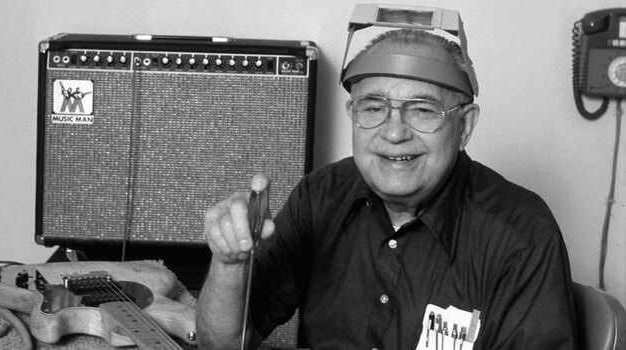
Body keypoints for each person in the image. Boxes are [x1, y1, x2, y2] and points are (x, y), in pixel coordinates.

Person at [196, 27, 577, 349]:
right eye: (373, 107)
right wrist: (230, 264)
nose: (394, 133)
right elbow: (224, 343)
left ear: (464, 127)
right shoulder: (320, 196)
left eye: (423, 110)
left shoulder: (523, 236)